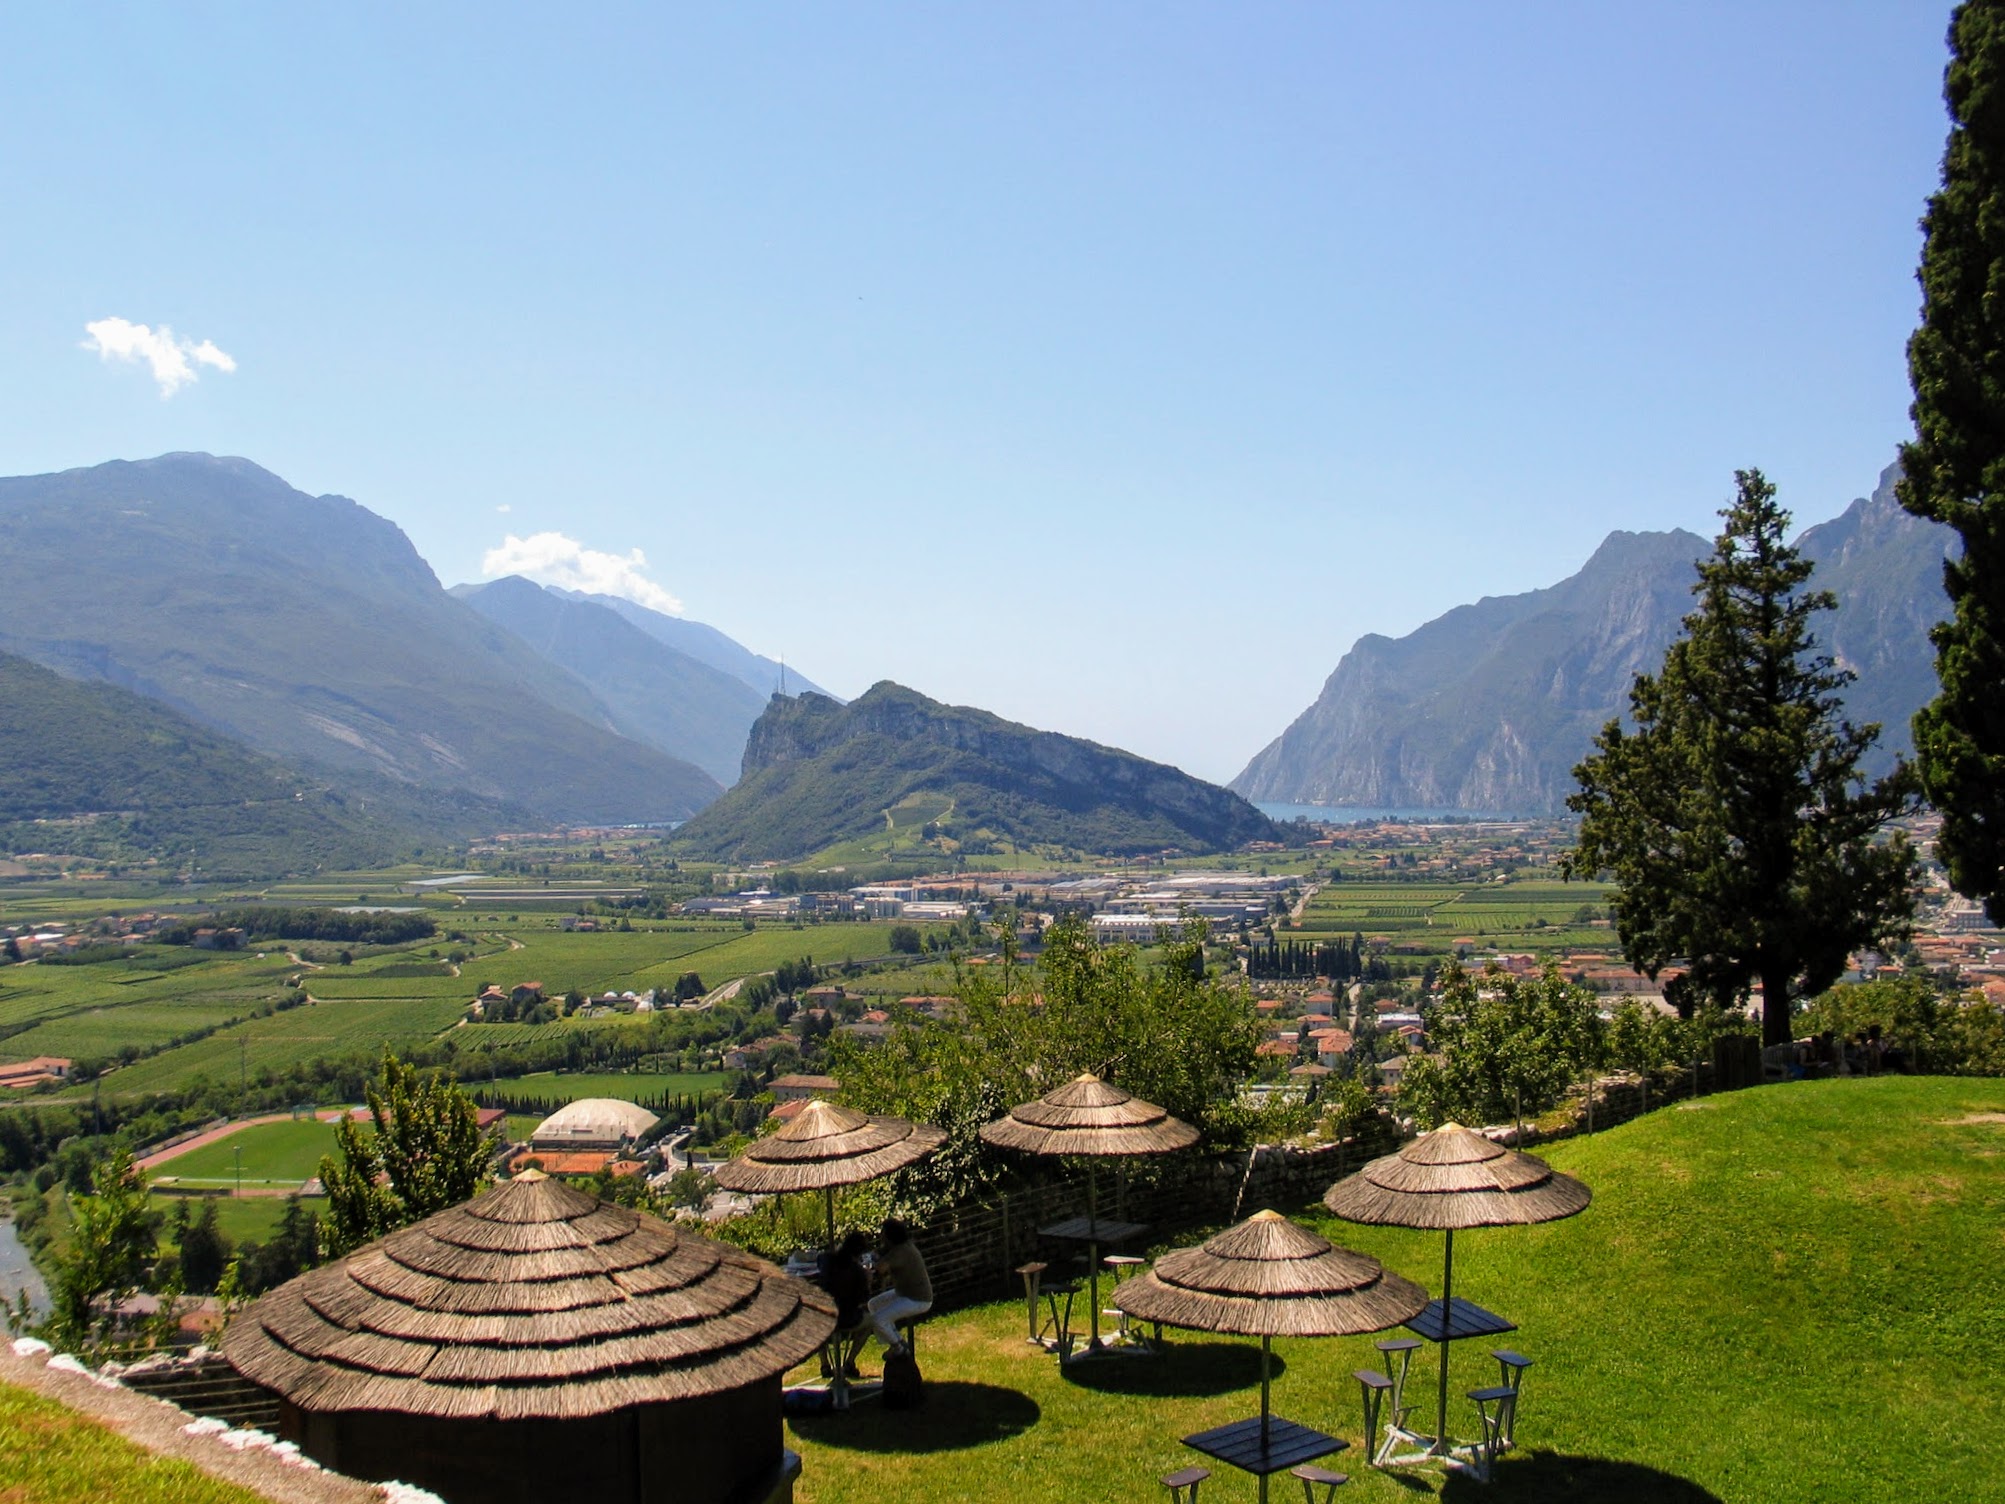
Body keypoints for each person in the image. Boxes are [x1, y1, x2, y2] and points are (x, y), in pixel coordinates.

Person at [866, 1218, 932, 1356]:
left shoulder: (901, 1252)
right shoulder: (902, 1246)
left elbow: (880, 1269)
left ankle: (898, 1348)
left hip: (918, 1299)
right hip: (904, 1293)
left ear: (890, 1236)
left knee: (878, 1319)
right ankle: (898, 1341)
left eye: (883, 1233)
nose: (880, 1236)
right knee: (874, 1304)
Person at [816, 1231, 872, 1379]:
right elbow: (863, 1299)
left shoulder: (827, 1259)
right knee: (870, 1321)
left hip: (824, 1316)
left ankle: (825, 1363)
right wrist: (868, 1280)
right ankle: (849, 1361)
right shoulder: (858, 1272)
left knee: (816, 1322)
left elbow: (819, 1258)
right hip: (846, 1318)